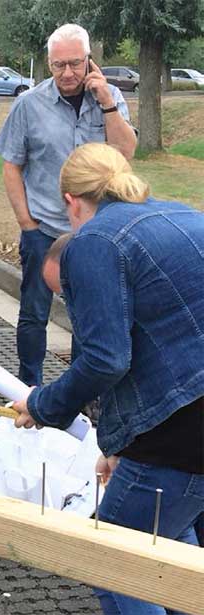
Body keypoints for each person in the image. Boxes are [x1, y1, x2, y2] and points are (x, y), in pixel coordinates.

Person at [12, 143, 204, 614]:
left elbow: (105, 358)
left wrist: (42, 405)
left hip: (183, 431)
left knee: (107, 562)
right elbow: (165, 344)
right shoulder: (185, 216)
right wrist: (121, 443)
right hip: (182, 422)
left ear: (70, 201)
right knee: (173, 555)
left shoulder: (95, 241)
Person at [0, 23, 137, 386]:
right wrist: (26, 223)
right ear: (48, 63)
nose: (67, 73)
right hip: (44, 228)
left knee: (87, 315)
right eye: (59, 65)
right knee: (34, 314)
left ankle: (80, 393)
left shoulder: (110, 98)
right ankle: (30, 389)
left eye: (75, 64)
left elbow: (126, 151)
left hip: (94, 231)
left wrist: (106, 102)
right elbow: (12, 165)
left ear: (90, 61)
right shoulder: (29, 104)